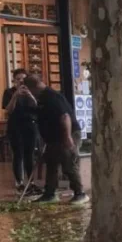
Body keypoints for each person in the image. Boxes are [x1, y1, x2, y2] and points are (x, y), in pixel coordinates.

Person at [20, 75, 87, 204]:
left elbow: (65, 116)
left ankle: (80, 193)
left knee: (68, 163)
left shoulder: (52, 97)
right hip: (53, 138)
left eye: (29, 89)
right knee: (51, 164)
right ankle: (50, 193)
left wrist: (67, 137)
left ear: (33, 86)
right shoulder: (41, 98)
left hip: (66, 133)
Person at [2, 68, 41, 194]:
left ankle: (31, 182)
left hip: (30, 125)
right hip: (15, 126)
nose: (20, 81)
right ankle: (19, 183)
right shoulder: (8, 92)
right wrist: (15, 96)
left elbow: (36, 106)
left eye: (23, 79)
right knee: (18, 155)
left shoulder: (33, 91)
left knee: (30, 155)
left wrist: (29, 95)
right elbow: (8, 110)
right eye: (18, 79)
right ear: (14, 80)